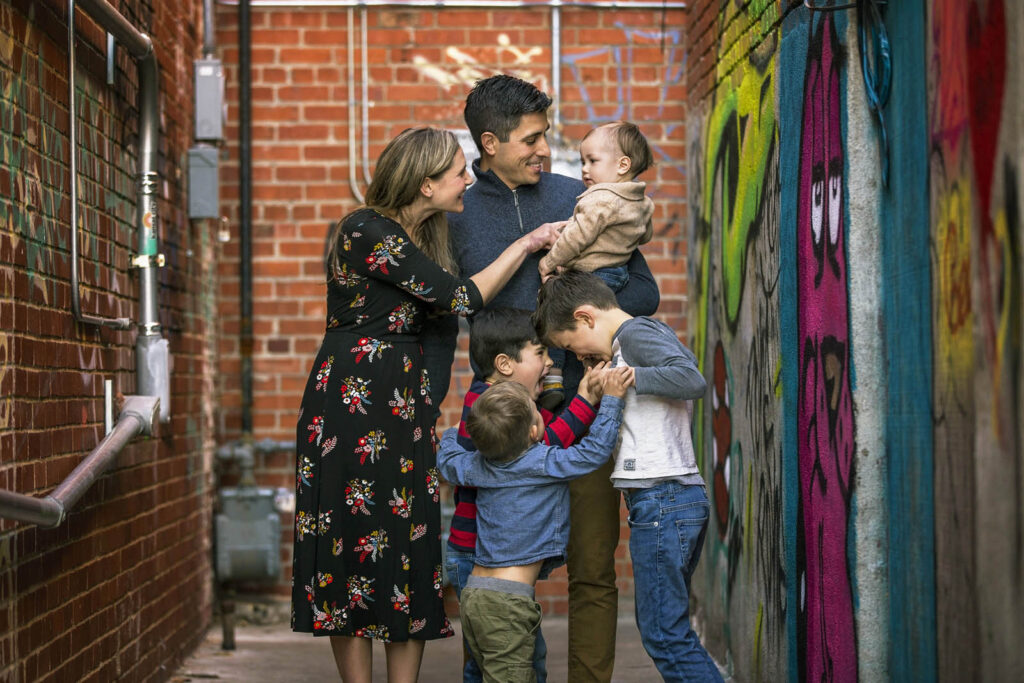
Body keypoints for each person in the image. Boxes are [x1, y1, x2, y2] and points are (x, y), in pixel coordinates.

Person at [291, 126, 560, 682]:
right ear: (425, 183)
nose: (468, 181)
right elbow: (461, 297)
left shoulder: (424, 239)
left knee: (408, 548)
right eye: (459, 172)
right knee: (348, 545)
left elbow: (438, 330)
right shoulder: (365, 229)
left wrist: (426, 404)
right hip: (351, 404)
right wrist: (528, 243)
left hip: (402, 408)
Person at [426, 73, 661, 682]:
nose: (544, 149)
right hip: (503, 423)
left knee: (592, 568)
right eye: (531, 139)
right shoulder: (458, 216)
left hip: (584, 409)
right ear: (490, 143)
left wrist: (577, 308)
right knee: (485, 567)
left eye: (545, 135)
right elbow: (442, 310)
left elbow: (644, 291)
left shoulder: (577, 197)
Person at [533, 269, 723, 682]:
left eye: (572, 346)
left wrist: (630, 376)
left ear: (585, 318)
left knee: (664, 635)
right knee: (665, 628)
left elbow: (691, 378)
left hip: (663, 499)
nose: (578, 357)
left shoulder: (635, 335)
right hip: (666, 500)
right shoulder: (629, 341)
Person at [436, 371, 633, 683]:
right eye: (535, 409)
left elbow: (448, 460)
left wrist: (451, 434)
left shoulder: (477, 465)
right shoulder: (543, 463)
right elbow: (594, 451)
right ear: (533, 431)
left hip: (474, 595)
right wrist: (612, 400)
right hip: (508, 602)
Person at [444, 308, 603, 681]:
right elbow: (542, 451)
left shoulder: (494, 398)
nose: (549, 363)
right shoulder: (491, 408)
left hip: (483, 556)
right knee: (503, 660)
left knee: (500, 658)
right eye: (540, 353)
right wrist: (585, 400)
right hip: (478, 554)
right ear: (504, 364)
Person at [536, 120, 655, 409]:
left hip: (591, 274)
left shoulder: (600, 198)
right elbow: (645, 234)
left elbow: (576, 238)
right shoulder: (640, 201)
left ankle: (553, 376)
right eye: (583, 162)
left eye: (592, 161)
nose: (585, 169)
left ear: (622, 165)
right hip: (619, 273)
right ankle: (597, 365)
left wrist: (549, 262)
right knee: (599, 327)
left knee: (558, 313)